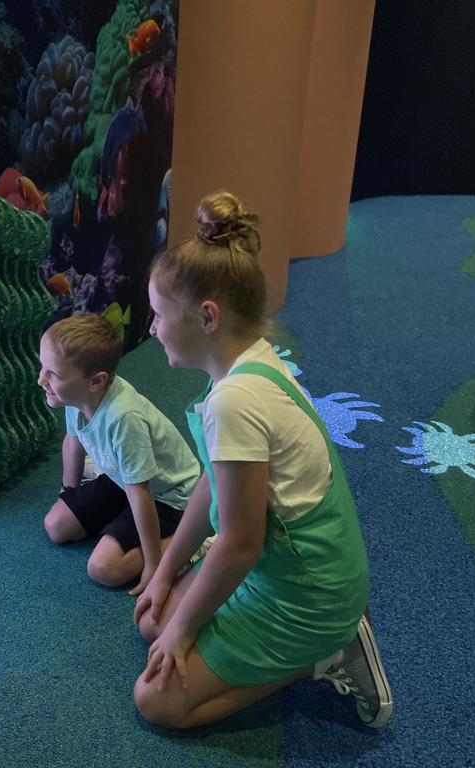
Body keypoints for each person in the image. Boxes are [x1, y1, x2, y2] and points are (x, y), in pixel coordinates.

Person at [132, 191, 393, 730]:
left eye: (159, 314)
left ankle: (324, 655)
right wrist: (164, 570)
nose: (153, 328)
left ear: (207, 317)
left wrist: (185, 629)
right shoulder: (248, 359)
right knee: (153, 623)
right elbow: (213, 479)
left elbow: (241, 541)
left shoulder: (234, 401)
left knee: (156, 700)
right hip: (281, 566)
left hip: (305, 592)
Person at [38, 313, 201, 594]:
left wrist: (153, 564)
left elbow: (141, 494)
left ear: (96, 382)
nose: (41, 380)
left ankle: (196, 537)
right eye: (43, 368)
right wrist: (69, 493)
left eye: (53, 374)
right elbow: (72, 443)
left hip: (168, 497)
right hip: (122, 479)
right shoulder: (74, 395)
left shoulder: (124, 419)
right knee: (56, 525)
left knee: (104, 569)